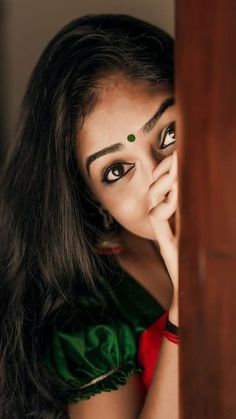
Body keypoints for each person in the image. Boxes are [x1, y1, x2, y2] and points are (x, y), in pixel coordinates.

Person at [0, 13, 179, 419]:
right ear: (94, 199)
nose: (160, 181)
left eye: (168, 136)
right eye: (117, 170)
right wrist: (187, 307)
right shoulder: (89, 317)